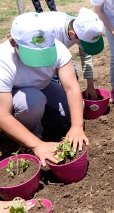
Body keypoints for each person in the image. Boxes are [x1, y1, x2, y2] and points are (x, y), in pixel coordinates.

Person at [0, 13, 89, 166]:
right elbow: (3, 114)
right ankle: (29, 139)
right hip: (14, 94)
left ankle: (31, 121)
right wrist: (37, 145)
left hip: (43, 87)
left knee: (75, 108)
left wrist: (76, 126)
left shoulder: (58, 49)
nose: (39, 61)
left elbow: (72, 88)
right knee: (33, 102)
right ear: (13, 43)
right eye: (32, 54)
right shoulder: (3, 60)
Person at [40, 8, 105, 99]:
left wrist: (90, 86)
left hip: (55, 55)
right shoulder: (51, 31)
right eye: (83, 43)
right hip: (41, 58)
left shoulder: (81, 26)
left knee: (72, 72)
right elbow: (44, 61)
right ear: (72, 33)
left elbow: (86, 56)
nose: (83, 46)